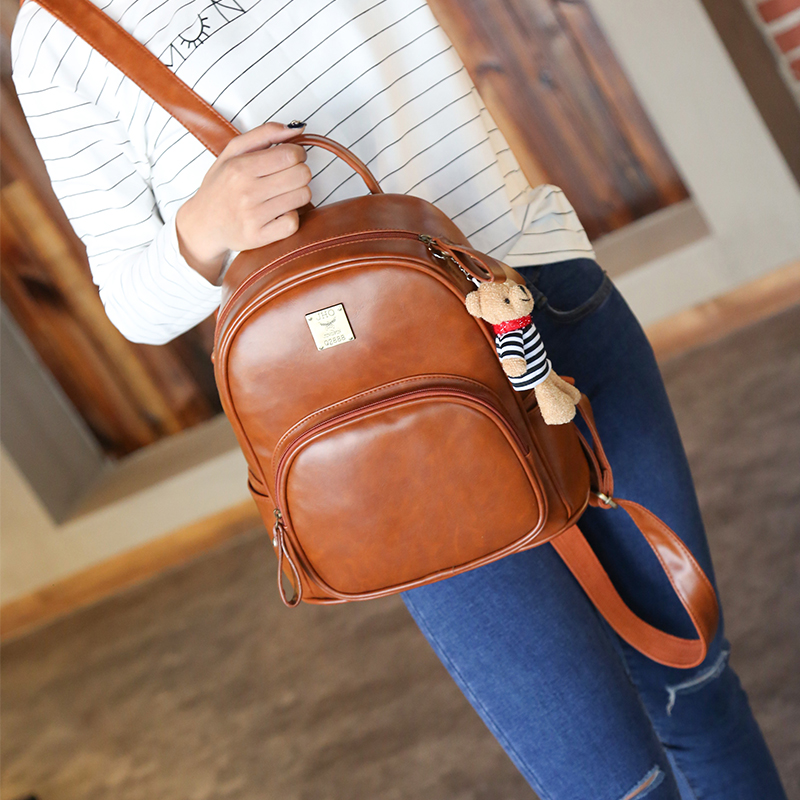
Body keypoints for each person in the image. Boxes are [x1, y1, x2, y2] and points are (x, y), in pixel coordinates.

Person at [11, 1, 787, 797]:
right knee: (610, 783)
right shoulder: (55, 36)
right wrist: (204, 228)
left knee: (698, 688)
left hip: (533, 299)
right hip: (381, 403)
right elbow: (132, 304)